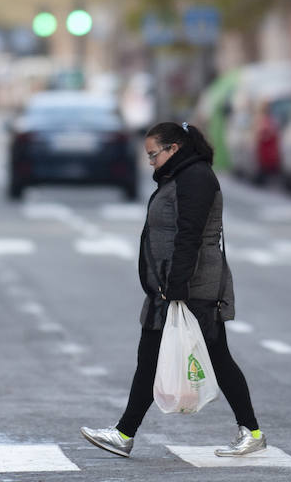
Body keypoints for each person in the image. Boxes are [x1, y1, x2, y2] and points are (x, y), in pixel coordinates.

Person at [81, 121, 264, 458]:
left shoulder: (195, 178)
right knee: (151, 358)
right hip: (172, 287)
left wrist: (177, 286)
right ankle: (124, 434)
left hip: (189, 288)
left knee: (214, 357)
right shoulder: (180, 176)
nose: (150, 162)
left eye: (154, 155)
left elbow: (190, 235)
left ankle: (250, 431)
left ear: (173, 149)